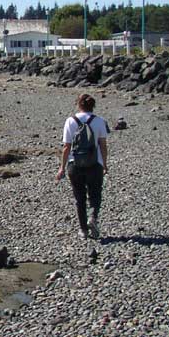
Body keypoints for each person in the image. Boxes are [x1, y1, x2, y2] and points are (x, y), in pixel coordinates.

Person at [56, 93, 109, 239]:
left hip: (75, 164)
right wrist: (104, 164)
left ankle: (83, 230)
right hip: (95, 164)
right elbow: (103, 145)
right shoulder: (99, 121)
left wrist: (62, 167)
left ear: (78, 104)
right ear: (93, 106)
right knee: (95, 194)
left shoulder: (70, 121)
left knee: (79, 198)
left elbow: (66, 147)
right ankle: (93, 217)